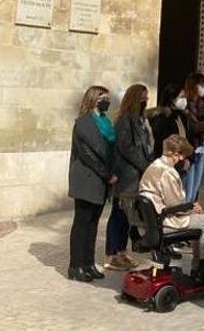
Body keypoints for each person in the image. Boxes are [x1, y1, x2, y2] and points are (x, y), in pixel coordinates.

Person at [139, 134, 204, 284]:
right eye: (180, 155)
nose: (181, 159)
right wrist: (192, 208)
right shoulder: (168, 172)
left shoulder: (153, 166)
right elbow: (175, 205)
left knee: (199, 219)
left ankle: (199, 265)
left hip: (153, 220)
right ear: (174, 153)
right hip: (166, 221)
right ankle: (202, 267)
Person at [67, 85, 116, 282]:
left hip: (101, 180)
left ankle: (88, 263)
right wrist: (107, 174)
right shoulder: (83, 123)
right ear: (94, 99)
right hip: (87, 178)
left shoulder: (106, 121)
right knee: (82, 223)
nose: (107, 101)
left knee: (93, 224)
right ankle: (75, 266)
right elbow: (88, 155)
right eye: (103, 97)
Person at [105, 83, 152, 271]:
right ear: (134, 98)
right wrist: (145, 165)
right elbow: (127, 148)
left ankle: (122, 252)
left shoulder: (140, 119)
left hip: (136, 177)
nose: (145, 100)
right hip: (127, 177)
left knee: (127, 216)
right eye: (142, 97)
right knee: (118, 215)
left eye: (146, 97)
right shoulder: (125, 120)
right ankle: (112, 254)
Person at [183, 73, 204, 203]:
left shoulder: (201, 104)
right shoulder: (186, 105)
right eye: (202, 84)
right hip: (191, 149)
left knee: (195, 189)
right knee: (187, 191)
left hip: (201, 146)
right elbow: (194, 128)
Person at [150, 83, 190, 158]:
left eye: (185, 97)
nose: (185, 100)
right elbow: (161, 145)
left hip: (182, 159)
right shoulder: (162, 119)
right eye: (181, 97)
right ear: (172, 99)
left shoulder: (181, 116)